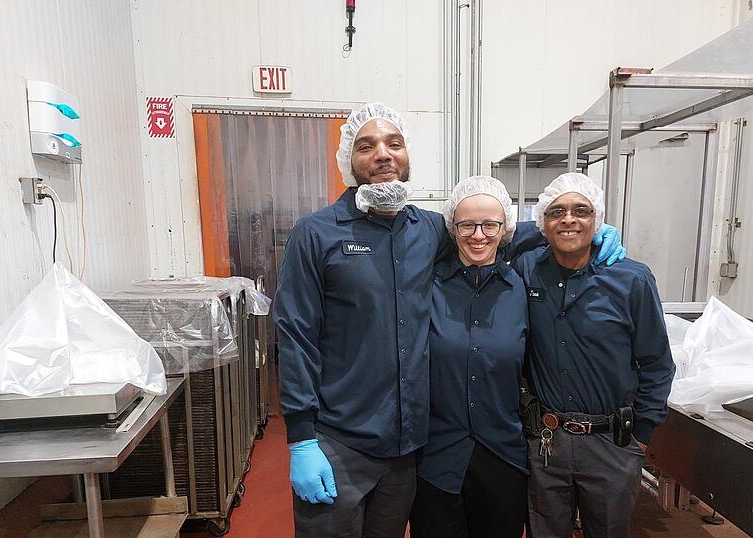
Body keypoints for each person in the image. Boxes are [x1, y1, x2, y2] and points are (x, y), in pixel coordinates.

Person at [275, 104, 624, 537]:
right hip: (338, 442)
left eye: (394, 143)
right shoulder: (317, 234)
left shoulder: (427, 229)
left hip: (406, 449)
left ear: (407, 155)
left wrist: (580, 233)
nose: (383, 154)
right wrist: (301, 437)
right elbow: (296, 334)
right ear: (349, 160)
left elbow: (491, 230)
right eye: (367, 146)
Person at [514, 173, 675, 538]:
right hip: (546, 442)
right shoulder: (528, 270)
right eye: (556, 212)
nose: (568, 219)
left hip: (611, 443)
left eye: (581, 211)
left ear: (598, 219)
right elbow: (495, 234)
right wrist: (546, 227)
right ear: (542, 222)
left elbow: (657, 363)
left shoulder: (631, 279)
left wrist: (640, 434)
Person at [409, 177, 529, 538]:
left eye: (490, 224)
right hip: (436, 458)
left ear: (505, 228)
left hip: (503, 458)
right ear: (452, 228)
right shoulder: (427, 286)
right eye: (467, 225)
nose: (478, 235)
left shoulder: (522, 289)